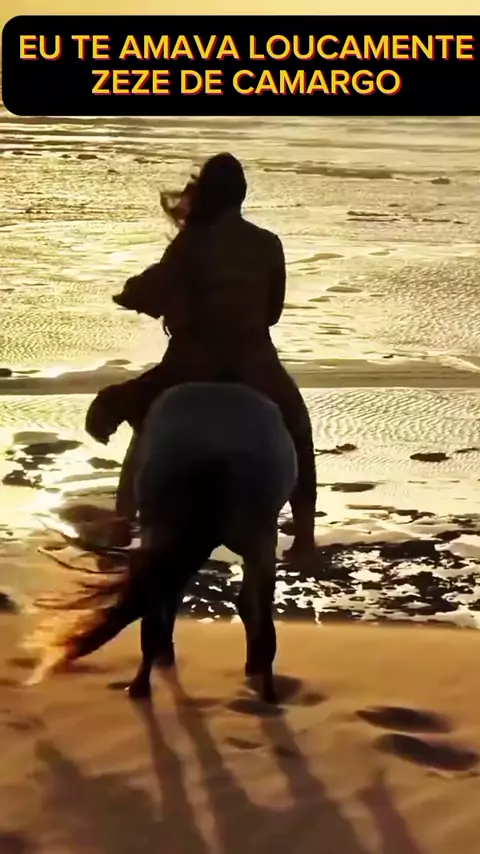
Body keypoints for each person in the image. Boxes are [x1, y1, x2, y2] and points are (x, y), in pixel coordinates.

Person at [87, 153, 317, 558]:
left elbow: (153, 290)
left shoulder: (190, 243)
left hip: (190, 366)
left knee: (136, 418)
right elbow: (273, 313)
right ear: (241, 195)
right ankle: (304, 537)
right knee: (297, 429)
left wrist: (131, 294)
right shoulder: (267, 244)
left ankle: (123, 517)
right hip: (255, 366)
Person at [29, 383, 298, 704]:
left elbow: (135, 458)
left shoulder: (162, 385)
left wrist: (124, 514)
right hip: (257, 442)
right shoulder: (257, 368)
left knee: (159, 572)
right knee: (297, 428)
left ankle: (146, 674)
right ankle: (263, 676)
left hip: (172, 438)